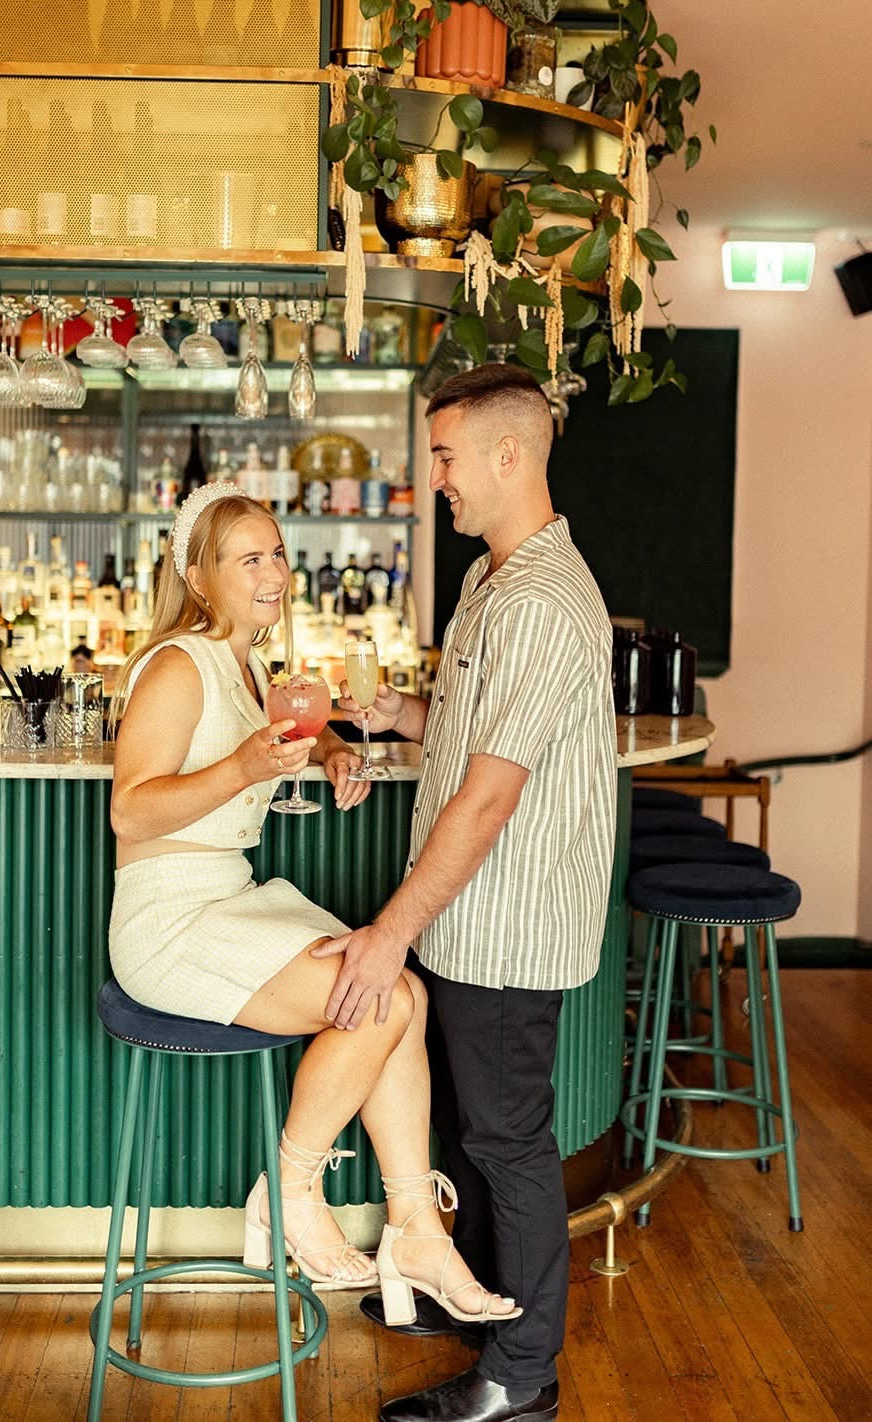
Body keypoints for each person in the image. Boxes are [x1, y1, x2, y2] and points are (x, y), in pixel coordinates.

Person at [108, 480, 516, 1319]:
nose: (274, 573)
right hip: (168, 920)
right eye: (247, 558)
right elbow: (130, 809)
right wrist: (244, 771)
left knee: (398, 986)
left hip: (230, 896)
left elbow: (291, 726)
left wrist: (331, 751)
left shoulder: (246, 661)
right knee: (373, 997)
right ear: (197, 576)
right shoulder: (177, 666)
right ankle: (291, 1190)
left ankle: (414, 1229)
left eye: (278, 554)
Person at [325, 365, 617, 1422]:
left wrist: (388, 932)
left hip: (506, 924)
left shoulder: (539, 600)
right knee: (467, 1130)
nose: (433, 476)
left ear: (508, 456)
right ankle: (475, 1301)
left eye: (445, 454)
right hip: (468, 919)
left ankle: (518, 1379)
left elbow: (488, 800)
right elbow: (467, 727)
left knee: (506, 1143)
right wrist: (394, 714)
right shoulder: (489, 580)